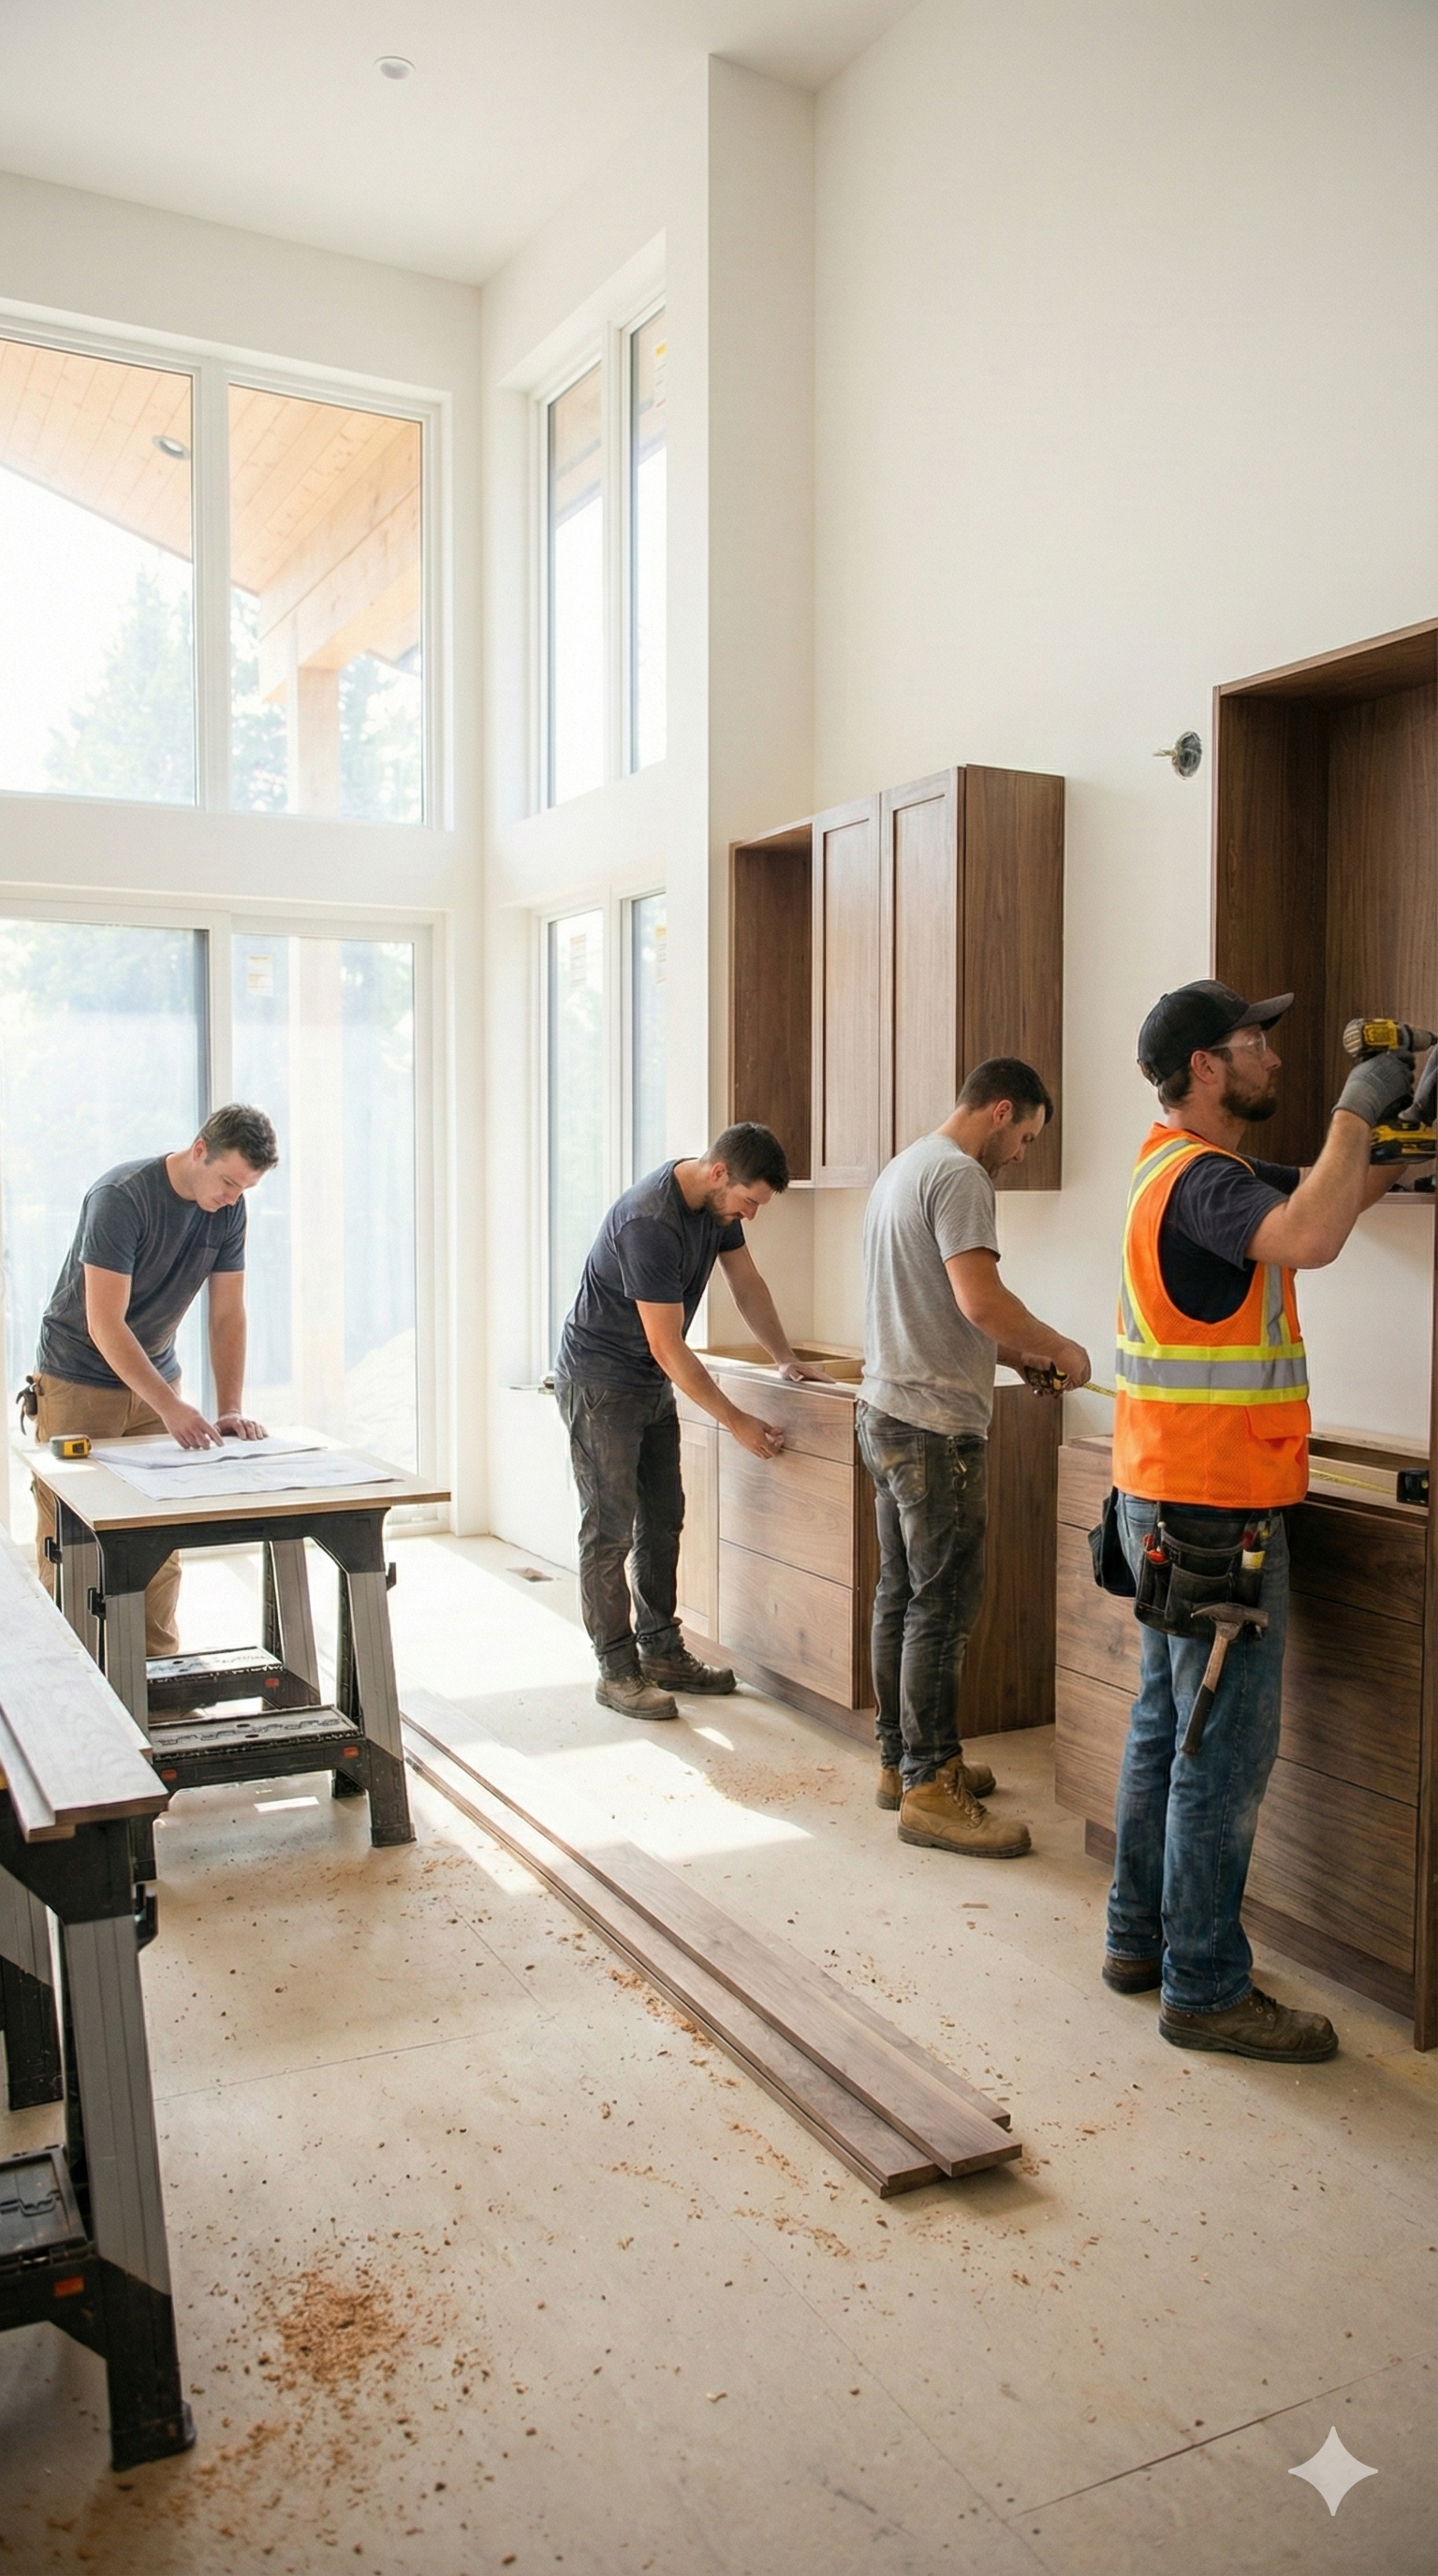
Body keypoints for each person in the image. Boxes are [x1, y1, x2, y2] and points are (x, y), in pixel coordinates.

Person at [1106, 978, 1420, 2062]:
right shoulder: (1207, 1186)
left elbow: (1339, 1196)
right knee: (1221, 1752)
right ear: (1205, 1065)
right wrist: (1356, 1099)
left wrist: (1398, 1131)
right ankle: (1205, 1984)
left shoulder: (1183, 1171)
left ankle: (1137, 1937)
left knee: (1163, 1725)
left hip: (1163, 1493)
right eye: (1254, 1042)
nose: (1271, 1057)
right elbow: (1312, 1236)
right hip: (1215, 1512)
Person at [858, 1058, 1091, 1859]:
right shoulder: (959, 1177)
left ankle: (905, 1759)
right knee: (943, 1608)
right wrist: (1060, 1346)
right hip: (933, 1429)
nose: (1021, 1153)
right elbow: (979, 1299)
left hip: (885, 1410)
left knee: (902, 1594)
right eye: (1024, 1136)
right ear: (1000, 1111)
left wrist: (1014, 1360)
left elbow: (935, 1311)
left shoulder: (903, 1167)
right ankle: (930, 1787)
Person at [555, 1122, 827, 1721]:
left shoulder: (716, 1211)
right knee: (609, 1530)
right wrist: (736, 1421)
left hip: (648, 1381)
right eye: (750, 1202)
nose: (750, 1216)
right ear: (720, 1173)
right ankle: (616, 1670)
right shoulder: (650, 1222)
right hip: (601, 1382)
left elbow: (746, 1284)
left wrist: (785, 1359)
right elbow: (667, 1345)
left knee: (664, 1519)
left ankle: (661, 1651)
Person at [28, 1103, 280, 1658]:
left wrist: (229, 1404)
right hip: (78, 1379)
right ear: (198, 1150)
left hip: (155, 1378)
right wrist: (170, 1408)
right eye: (228, 1182)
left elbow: (227, 1314)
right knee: (73, 1543)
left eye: (245, 1189)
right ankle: (71, 1690)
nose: (232, 1198)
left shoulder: (228, 1212)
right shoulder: (122, 1198)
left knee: (157, 1541)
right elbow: (104, 1323)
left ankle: (159, 1690)